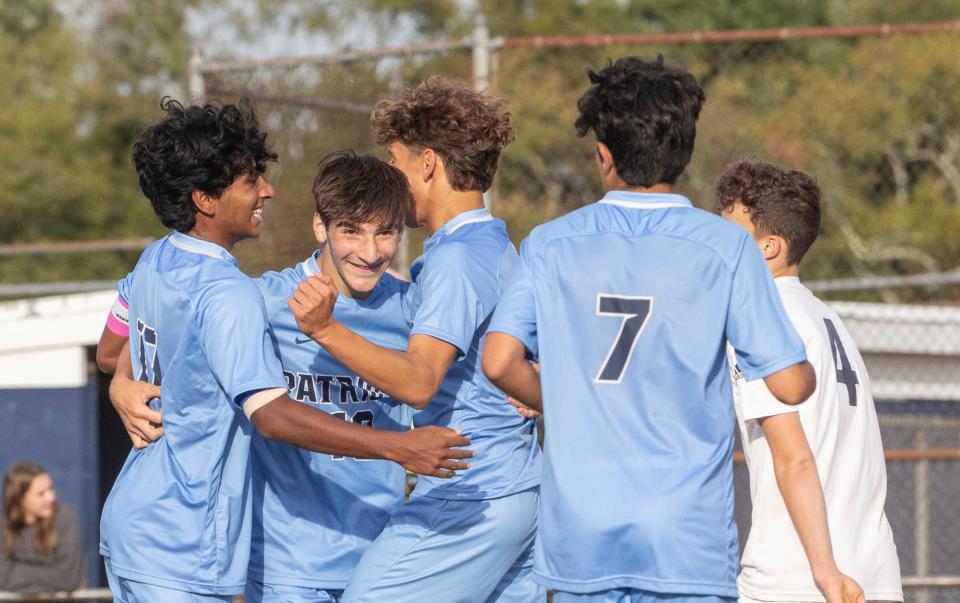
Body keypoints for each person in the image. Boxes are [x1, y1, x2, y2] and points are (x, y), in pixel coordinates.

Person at [480, 55, 842, 603]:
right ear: (685, 151)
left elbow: (499, 361)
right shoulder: (725, 248)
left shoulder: (550, 243)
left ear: (604, 156)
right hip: (685, 540)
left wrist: (569, 399)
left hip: (581, 535)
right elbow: (791, 384)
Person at [95, 98, 471, 603]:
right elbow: (270, 415)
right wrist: (400, 447)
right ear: (321, 227)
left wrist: (522, 379)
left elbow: (124, 345)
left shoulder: (160, 256)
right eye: (252, 179)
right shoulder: (250, 297)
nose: (371, 248)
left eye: (386, 232)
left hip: (378, 560)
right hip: (263, 561)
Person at [290, 76, 543, 602]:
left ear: (426, 163)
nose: (390, 173)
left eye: (395, 158)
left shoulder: (454, 259)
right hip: (517, 489)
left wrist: (325, 330)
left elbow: (421, 381)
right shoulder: (496, 243)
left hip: (469, 491)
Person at [716, 159, 901, 603]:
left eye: (728, 232)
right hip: (874, 572)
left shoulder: (765, 321)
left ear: (769, 247)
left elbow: (794, 457)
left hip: (801, 579)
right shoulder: (826, 317)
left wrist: (825, 571)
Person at [0, 462, 83, 595]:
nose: (51, 497)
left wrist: (17, 572)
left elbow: (69, 578)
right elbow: (2, 577)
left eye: (51, 489)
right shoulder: (3, 524)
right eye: (41, 494)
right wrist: (50, 576)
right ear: (20, 498)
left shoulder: (65, 518)